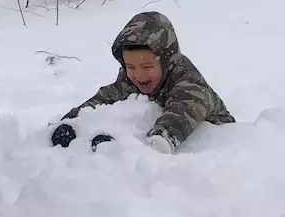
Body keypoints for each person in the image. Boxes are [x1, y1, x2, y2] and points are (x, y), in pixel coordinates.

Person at [50, 11, 233, 154]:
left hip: (214, 151)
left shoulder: (188, 82)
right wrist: (72, 121)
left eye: (147, 66)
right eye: (130, 66)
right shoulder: (132, 79)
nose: (138, 75)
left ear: (166, 61)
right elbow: (105, 98)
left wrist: (160, 140)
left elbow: (183, 109)